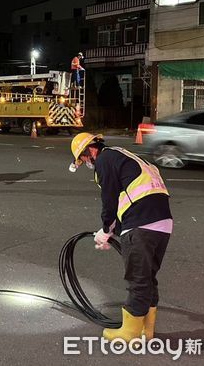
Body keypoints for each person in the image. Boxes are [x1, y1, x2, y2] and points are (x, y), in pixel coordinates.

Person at [69, 132, 172, 343]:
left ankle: (130, 332)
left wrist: (106, 229)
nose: (86, 163)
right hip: (162, 223)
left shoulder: (104, 161)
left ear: (90, 151)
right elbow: (128, 196)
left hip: (142, 223)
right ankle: (146, 330)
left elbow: (109, 200)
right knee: (147, 278)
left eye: (84, 159)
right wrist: (111, 232)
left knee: (138, 279)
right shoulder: (122, 155)